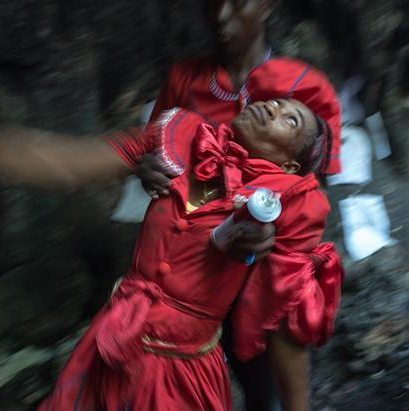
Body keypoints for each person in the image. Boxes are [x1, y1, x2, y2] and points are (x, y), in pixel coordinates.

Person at [0, 95, 343, 410]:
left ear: (290, 166)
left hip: (181, 372)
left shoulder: (291, 206)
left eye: (291, 119)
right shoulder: (181, 141)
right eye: (274, 102)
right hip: (114, 344)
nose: (272, 108)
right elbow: (58, 161)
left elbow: (290, 320)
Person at [136, 1, 341, 408]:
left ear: (266, 5)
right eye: (212, 3)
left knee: (257, 379)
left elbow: (310, 192)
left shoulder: (307, 86)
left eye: (237, 2)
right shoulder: (185, 79)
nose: (221, 16)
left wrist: (272, 241)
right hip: (186, 271)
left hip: (259, 278)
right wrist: (147, 170)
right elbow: (158, 153)